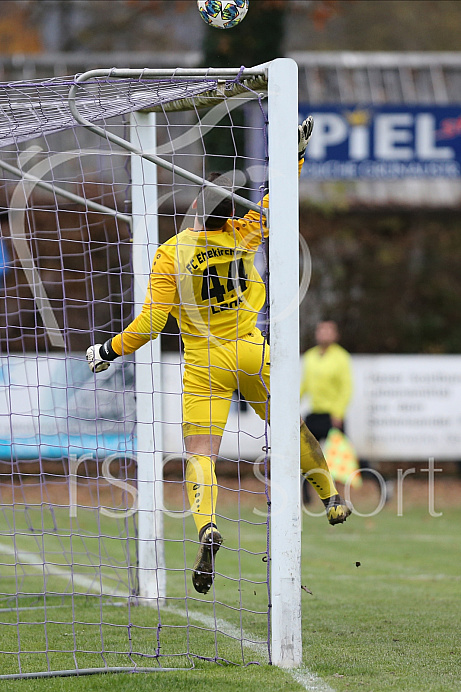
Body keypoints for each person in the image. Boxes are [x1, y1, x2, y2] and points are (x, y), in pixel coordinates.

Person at [86, 117, 351, 596]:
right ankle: (330, 498)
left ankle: (207, 526)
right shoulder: (243, 235)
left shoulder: (171, 253)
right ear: (231, 217)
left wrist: (108, 350)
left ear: (194, 215)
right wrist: (292, 155)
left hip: (205, 363)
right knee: (292, 430)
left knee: (201, 453)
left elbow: (149, 325)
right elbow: (276, 200)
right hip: (252, 350)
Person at [300, 320, 384, 504]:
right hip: (314, 414)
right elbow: (304, 385)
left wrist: (338, 413)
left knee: (348, 457)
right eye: (321, 330)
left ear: (335, 335)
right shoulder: (310, 356)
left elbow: (346, 388)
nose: (324, 334)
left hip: (332, 417)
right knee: (305, 454)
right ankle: (305, 497)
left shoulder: (341, 357)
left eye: (328, 331)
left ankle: (382, 484)